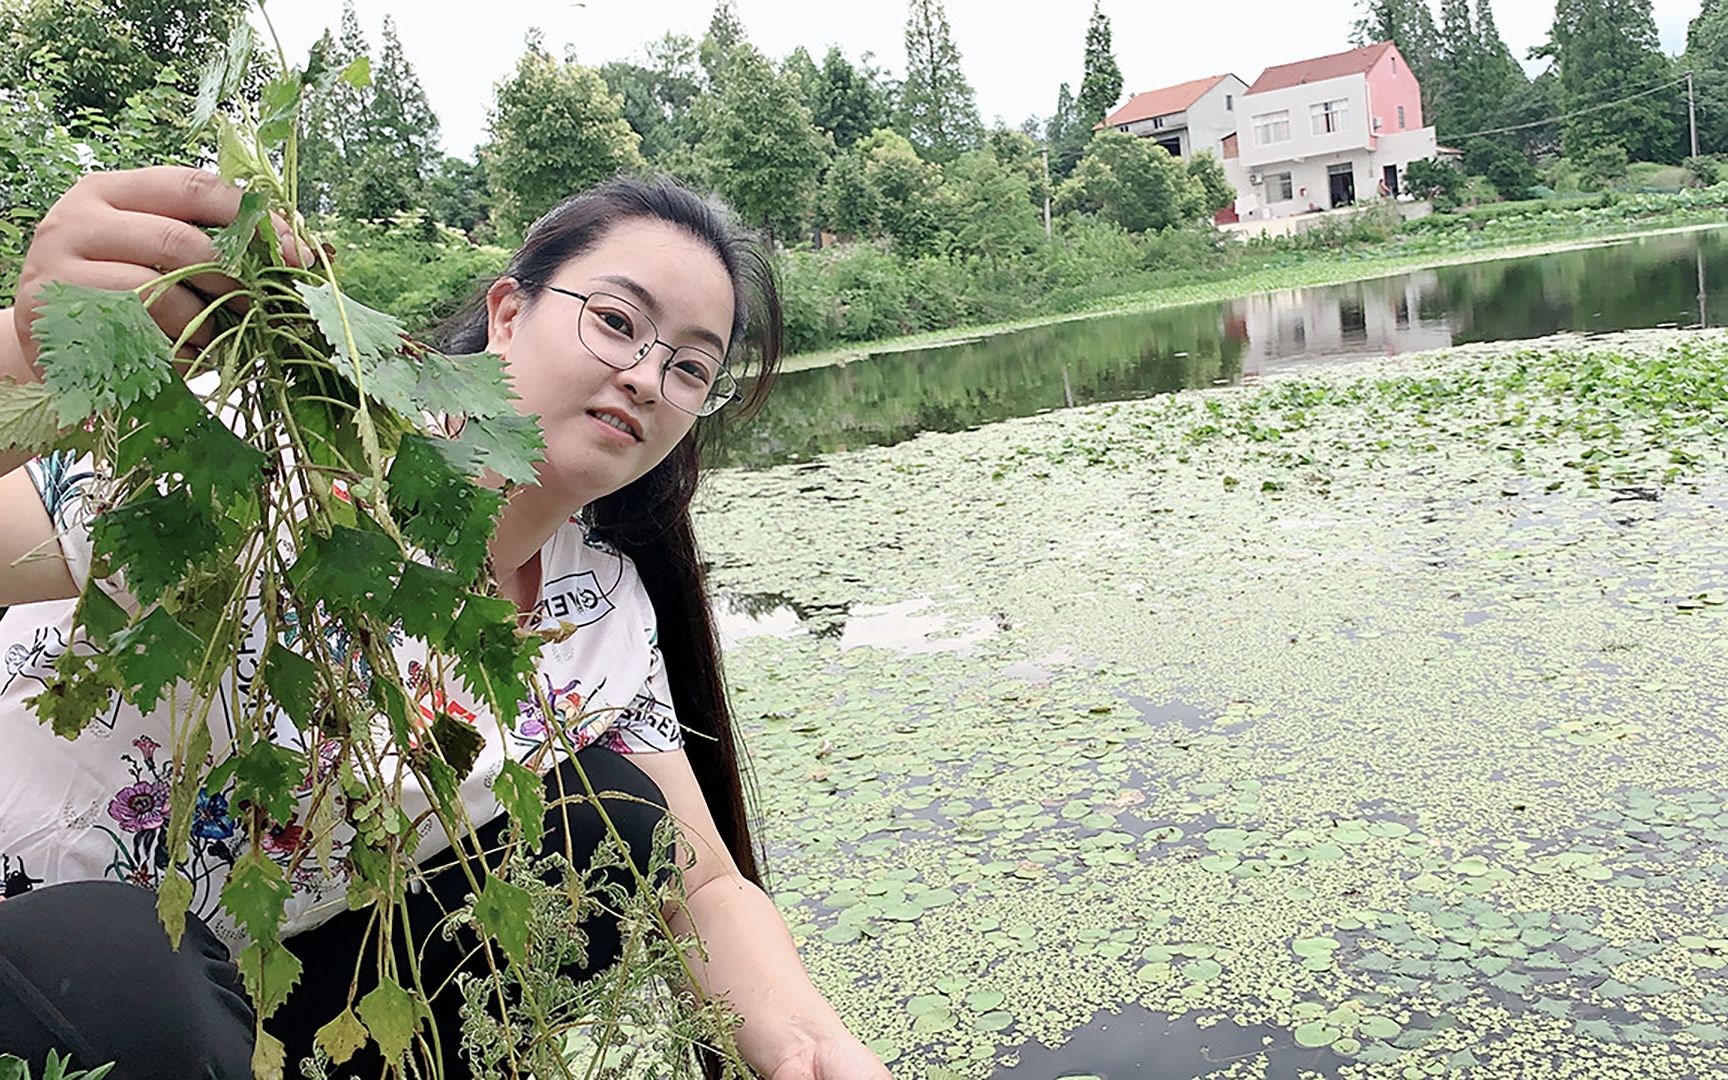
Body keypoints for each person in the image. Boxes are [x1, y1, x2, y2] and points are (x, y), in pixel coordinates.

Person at [0, 166, 891, 1080]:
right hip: (60, 962)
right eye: (618, 321)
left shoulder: (604, 608)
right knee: (122, 956)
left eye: (690, 366)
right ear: (508, 313)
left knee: (613, 817)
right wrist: (25, 359)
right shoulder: (283, 458)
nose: (647, 378)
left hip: (275, 990)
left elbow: (700, 883)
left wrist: (812, 1051)